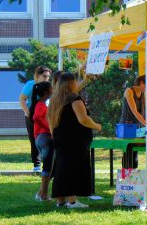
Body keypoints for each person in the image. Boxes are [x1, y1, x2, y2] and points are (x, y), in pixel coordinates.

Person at [48, 72, 101, 208]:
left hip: (60, 138)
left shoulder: (55, 100)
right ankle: (72, 201)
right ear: (71, 83)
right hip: (74, 139)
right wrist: (96, 126)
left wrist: (85, 79)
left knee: (61, 169)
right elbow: (83, 119)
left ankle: (60, 201)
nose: (77, 83)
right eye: (75, 81)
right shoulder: (74, 99)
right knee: (72, 169)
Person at [20, 66, 52, 172]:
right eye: (44, 76)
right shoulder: (30, 84)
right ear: (37, 75)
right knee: (34, 140)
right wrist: (28, 113)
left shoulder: (48, 86)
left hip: (45, 116)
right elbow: (22, 99)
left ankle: (47, 165)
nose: (46, 78)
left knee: (47, 139)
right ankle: (37, 165)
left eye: (48, 76)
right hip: (32, 117)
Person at [119, 76, 147, 168]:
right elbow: (134, 111)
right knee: (128, 153)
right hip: (126, 126)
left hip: (137, 127)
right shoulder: (129, 91)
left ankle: (133, 177)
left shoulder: (144, 94)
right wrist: (146, 125)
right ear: (142, 83)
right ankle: (126, 177)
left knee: (135, 153)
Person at [29, 81, 54, 201]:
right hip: (44, 137)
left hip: (40, 138)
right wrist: (49, 128)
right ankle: (43, 195)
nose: (53, 89)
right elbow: (36, 117)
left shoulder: (40, 104)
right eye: (51, 88)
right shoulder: (41, 104)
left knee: (48, 167)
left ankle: (41, 194)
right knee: (48, 167)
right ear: (46, 92)